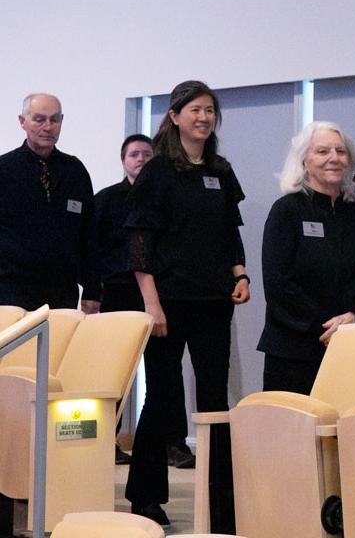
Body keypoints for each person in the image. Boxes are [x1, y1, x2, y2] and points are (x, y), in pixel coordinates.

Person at [124, 81, 249, 530]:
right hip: (168, 304)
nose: (204, 117)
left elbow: (231, 233)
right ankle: (145, 497)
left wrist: (240, 274)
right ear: (175, 116)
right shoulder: (157, 172)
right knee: (162, 397)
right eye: (195, 109)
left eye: (210, 110)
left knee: (215, 400)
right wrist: (152, 306)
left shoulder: (220, 169)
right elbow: (140, 243)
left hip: (214, 302)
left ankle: (221, 503)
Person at [94, 134, 193, 468]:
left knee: (166, 370)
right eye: (134, 154)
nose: (141, 159)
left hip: (158, 293)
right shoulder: (106, 200)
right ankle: (107, 440)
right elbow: (90, 249)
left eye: (148, 154)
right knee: (114, 372)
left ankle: (174, 443)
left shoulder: (168, 197)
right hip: (118, 292)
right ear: (123, 161)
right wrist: (93, 292)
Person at [258, 121, 355, 394]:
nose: (334, 158)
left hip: (349, 346)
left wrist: (354, 315)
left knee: (344, 434)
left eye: (341, 151)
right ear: (304, 161)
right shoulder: (287, 210)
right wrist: (328, 324)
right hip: (294, 349)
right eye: (323, 152)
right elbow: (278, 283)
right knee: (291, 434)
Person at [0, 93, 100, 312]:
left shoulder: (75, 171)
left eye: (54, 120)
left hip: (61, 291)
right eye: (39, 119)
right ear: (22, 121)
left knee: (56, 347)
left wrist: (93, 289)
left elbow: (88, 234)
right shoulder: (4, 169)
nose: (48, 126)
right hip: (11, 291)